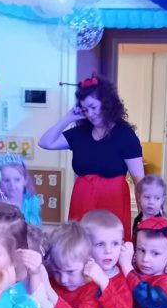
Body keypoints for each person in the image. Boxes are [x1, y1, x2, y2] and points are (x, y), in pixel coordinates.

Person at [38, 75, 144, 240]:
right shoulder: (80, 133)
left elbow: (139, 180)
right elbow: (45, 142)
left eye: (93, 107)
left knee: (109, 245)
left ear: (107, 103)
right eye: (85, 109)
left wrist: (144, 216)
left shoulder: (125, 135)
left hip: (113, 201)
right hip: (82, 201)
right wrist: (68, 118)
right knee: (81, 246)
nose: (90, 113)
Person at [0, 153, 43, 227]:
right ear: (0, 182)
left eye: (17, 180)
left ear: (25, 180)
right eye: (7, 180)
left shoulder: (32, 202)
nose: (12, 185)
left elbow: (35, 225)